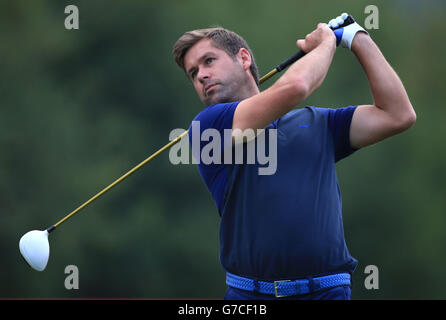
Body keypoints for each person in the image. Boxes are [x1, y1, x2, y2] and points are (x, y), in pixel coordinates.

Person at [172, 14, 416, 300]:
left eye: (208, 61)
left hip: (328, 292)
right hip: (251, 296)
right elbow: (297, 87)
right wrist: (327, 41)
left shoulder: (318, 123)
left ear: (244, 58)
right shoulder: (207, 127)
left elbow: (398, 115)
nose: (201, 74)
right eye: (193, 73)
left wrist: (356, 37)